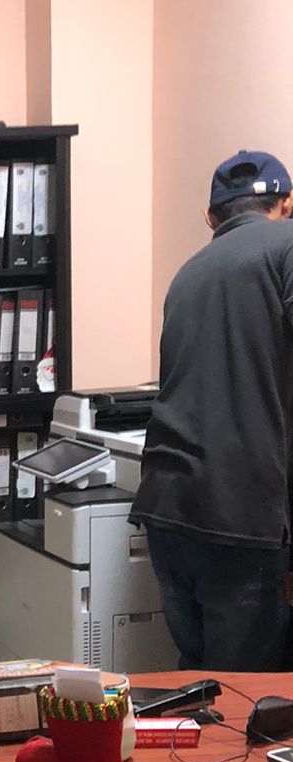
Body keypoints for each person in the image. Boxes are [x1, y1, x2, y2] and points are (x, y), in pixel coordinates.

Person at [132, 150, 293, 670]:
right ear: (287, 204)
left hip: (168, 507)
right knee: (249, 695)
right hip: (242, 514)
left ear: (210, 217)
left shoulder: (187, 273)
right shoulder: (287, 245)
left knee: (200, 681)